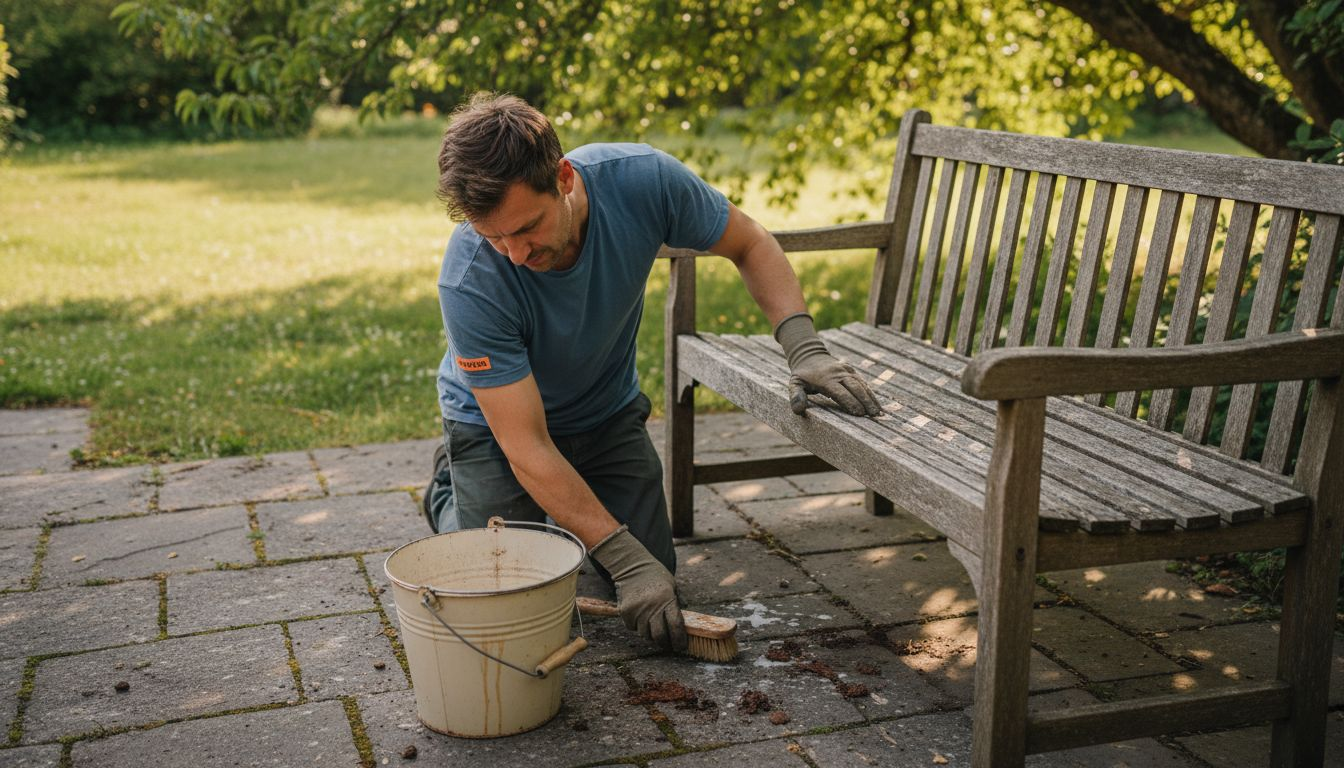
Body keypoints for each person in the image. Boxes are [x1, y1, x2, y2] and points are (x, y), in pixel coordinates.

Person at [423, 92, 880, 651]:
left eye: (527, 228)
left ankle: (566, 514)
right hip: (497, 430)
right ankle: (451, 492)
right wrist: (621, 557)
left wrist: (805, 350)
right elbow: (527, 445)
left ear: (563, 178)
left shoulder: (642, 181)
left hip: (603, 412)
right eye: (495, 238)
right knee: (506, 590)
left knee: (656, 573)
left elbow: (750, 242)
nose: (515, 254)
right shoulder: (470, 279)